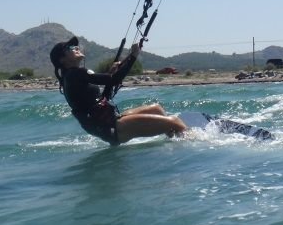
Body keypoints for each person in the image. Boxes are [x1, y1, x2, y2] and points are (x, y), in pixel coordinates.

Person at [50, 36, 187, 145]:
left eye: (75, 46)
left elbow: (103, 97)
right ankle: (193, 141)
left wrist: (111, 72)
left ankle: (175, 141)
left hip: (109, 123)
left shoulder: (74, 76)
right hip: (112, 128)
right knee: (174, 121)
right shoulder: (74, 74)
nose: (76, 48)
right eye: (70, 47)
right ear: (62, 60)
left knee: (157, 109)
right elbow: (114, 80)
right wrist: (133, 56)